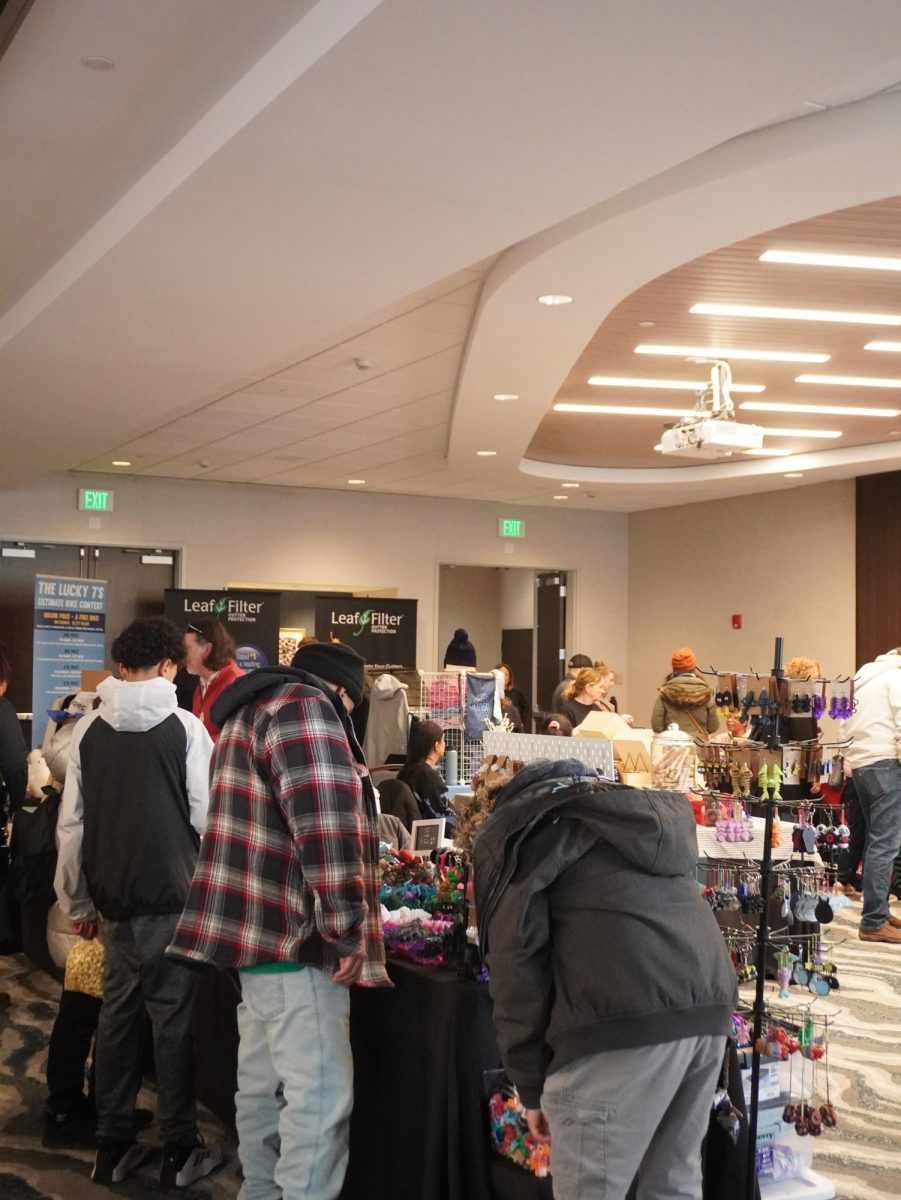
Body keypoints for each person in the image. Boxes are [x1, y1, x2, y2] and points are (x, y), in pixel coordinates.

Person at [167, 639, 389, 1200]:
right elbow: (327, 824)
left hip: (256, 940)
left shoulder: (248, 713)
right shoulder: (306, 712)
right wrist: (345, 928)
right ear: (343, 694)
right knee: (316, 1105)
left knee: (261, 1094)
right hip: (296, 940)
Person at [473, 758, 737, 1200]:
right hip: (707, 1006)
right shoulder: (633, 820)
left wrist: (531, 1087)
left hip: (617, 1019)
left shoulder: (521, 837)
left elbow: (514, 966)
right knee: (675, 1183)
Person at [54, 616, 220, 1187]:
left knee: (118, 1019)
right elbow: (206, 818)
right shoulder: (187, 731)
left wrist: (76, 903)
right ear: (169, 665)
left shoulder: (88, 732)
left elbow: (71, 827)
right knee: (172, 1024)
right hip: (175, 899)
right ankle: (179, 1148)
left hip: (112, 904)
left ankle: (112, 1143)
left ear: (121, 666)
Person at [845, 646, 901, 944]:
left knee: (875, 842)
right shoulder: (896, 678)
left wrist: (850, 756)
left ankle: (877, 911)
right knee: (885, 844)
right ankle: (873, 921)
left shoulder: (864, 677)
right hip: (886, 763)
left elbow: (844, 720)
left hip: (861, 764)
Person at [183, 618, 245, 739]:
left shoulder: (235, 684)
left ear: (207, 649)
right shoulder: (202, 685)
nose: (183, 654)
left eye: (188, 648)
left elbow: (236, 737)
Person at [650, 647, 719, 740]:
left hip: (672, 746)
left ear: (674, 668)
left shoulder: (664, 693)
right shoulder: (705, 693)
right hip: (698, 746)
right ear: (693, 667)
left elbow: (657, 726)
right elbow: (713, 726)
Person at [397, 719, 454, 821]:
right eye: (443, 740)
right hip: (430, 833)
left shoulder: (405, 772)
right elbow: (443, 817)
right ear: (437, 746)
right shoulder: (427, 776)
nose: (445, 743)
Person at [496, 664, 529, 731]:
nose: (503, 677)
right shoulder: (491, 693)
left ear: (509, 678)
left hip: (512, 728)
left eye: (506, 675)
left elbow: (526, 708)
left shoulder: (516, 693)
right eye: (500, 674)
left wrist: (521, 721)